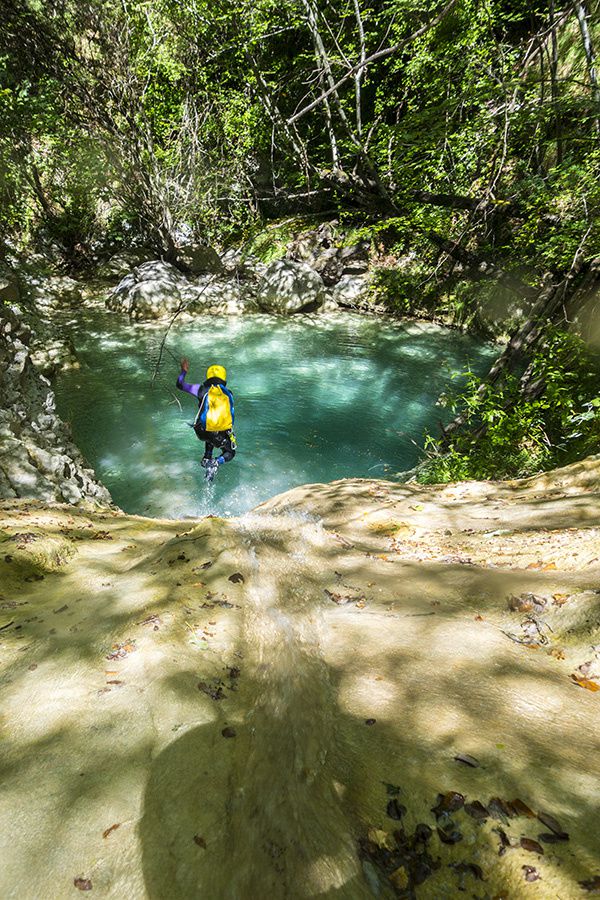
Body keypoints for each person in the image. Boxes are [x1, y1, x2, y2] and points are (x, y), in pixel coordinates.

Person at [176, 357, 236, 482]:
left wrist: (184, 371)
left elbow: (180, 384)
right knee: (230, 452)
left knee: (209, 429)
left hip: (202, 432)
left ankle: (207, 458)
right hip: (219, 434)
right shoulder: (228, 393)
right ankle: (216, 462)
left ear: (208, 376)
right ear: (224, 378)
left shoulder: (200, 389)